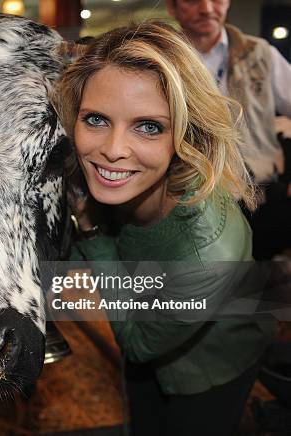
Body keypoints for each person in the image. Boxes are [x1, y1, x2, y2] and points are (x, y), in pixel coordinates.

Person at [57, 22, 275, 436]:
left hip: (211, 366)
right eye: (97, 119)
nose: (113, 149)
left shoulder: (207, 252)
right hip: (148, 330)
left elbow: (139, 343)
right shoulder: (120, 182)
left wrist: (90, 232)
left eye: (149, 126)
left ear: (185, 133)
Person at [167, 0, 291, 259]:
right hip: (188, 202)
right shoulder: (163, 58)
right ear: (172, 7)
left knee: (260, 285)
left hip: (261, 195)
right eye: (192, 0)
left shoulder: (259, 54)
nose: (207, 8)